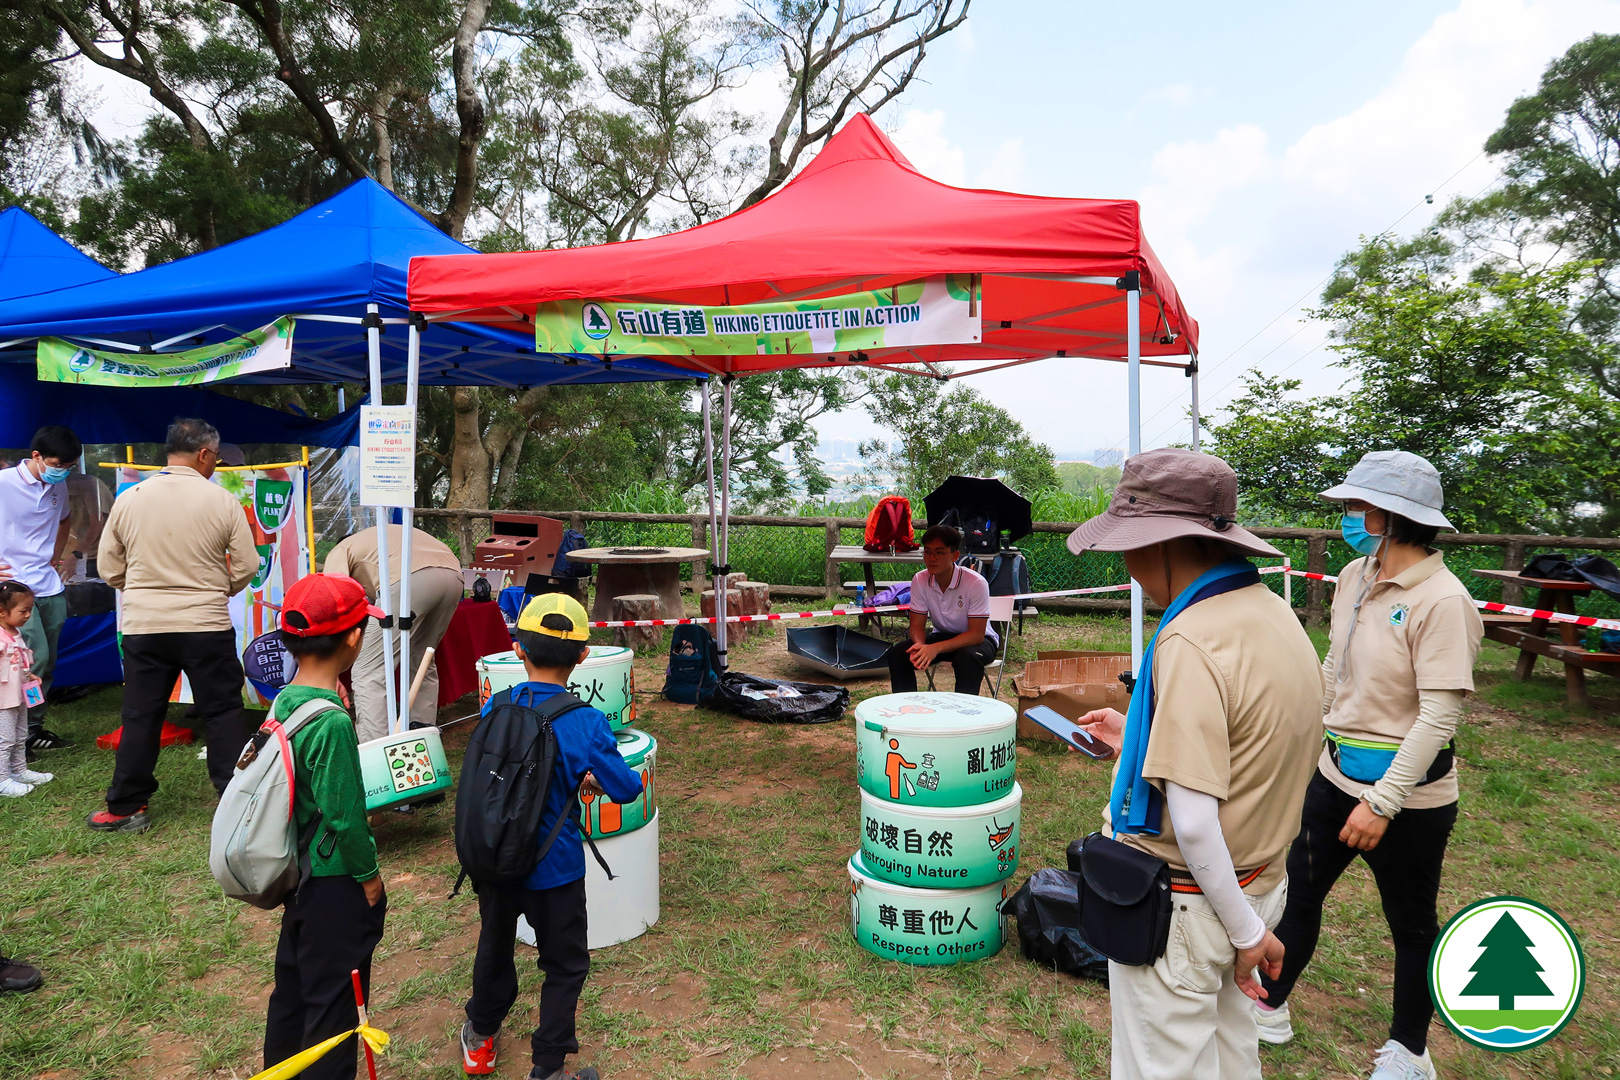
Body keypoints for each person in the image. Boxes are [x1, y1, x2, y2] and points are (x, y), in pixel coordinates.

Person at [1065, 448, 1322, 1080]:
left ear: (1166, 544)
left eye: (1129, 545)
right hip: (1258, 883)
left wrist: (1242, 936)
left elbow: (1196, 820)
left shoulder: (1188, 639)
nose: (1126, 564)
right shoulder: (1270, 612)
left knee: (1162, 1065)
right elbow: (1251, 743)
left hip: (1191, 905)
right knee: (1233, 1053)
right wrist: (1139, 738)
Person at [1255, 451, 1483, 1080]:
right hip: (1333, 777)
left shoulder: (1444, 600)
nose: (1350, 517)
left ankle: (1410, 1051)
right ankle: (1270, 1007)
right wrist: (1308, 742)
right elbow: (1337, 669)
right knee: (1298, 897)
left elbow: (1438, 717)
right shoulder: (1357, 574)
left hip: (1408, 798)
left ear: (1388, 515)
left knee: (1411, 927)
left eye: (1357, 507)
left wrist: (1382, 803)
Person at [460, 593, 642, 1080]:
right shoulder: (585, 722)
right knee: (563, 966)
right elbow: (627, 788)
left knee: (494, 949)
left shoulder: (496, 707)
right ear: (583, 656)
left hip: (493, 861)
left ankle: (479, 1042)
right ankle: (548, 1068)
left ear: (518, 649)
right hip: (554, 870)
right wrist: (590, 775)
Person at [90, 418, 257, 833]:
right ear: (203, 454)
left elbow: (109, 567)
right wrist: (219, 589)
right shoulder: (220, 501)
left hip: (145, 624)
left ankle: (126, 806)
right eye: (216, 457)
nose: (215, 465)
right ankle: (234, 801)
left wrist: (146, 590)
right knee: (221, 712)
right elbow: (248, 565)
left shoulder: (131, 498)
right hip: (205, 622)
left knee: (141, 714)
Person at [261, 572, 388, 1080]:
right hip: (335, 881)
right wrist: (371, 878)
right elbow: (345, 817)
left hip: (301, 878)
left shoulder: (287, 701)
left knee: (293, 993)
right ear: (354, 637)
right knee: (335, 1010)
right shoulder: (331, 722)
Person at [322, 524, 464, 739]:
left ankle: (376, 746)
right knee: (422, 657)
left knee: (369, 671)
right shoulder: (377, 539)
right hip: (454, 576)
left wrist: (329, 666)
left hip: (409, 579)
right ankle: (422, 734)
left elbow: (335, 600)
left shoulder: (341, 550)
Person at [0, 425, 81, 752]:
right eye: (59, 465)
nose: (64, 473)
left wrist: (55, 555)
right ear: (36, 456)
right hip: (13, 587)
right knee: (29, 660)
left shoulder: (56, 487)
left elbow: (65, 519)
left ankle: (32, 728)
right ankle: (13, 730)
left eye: (70, 467)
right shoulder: (4, 483)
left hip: (49, 587)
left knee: (46, 663)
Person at [884, 524, 998, 695]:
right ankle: (906, 710)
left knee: (967, 658)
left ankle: (964, 715)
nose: (932, 558)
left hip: (978, 641)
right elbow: (916, 625)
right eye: (927, 552)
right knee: (899, 653)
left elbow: (976, 634)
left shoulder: (975, 582)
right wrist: (920, 646)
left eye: (939, 552)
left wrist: (935, 648)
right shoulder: (920, 579)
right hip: (942, 635)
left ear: (955, 555)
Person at [0, 581, 55, 795]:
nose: (28, 615)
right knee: (5, 738)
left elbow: (17, 661)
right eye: (23, 610)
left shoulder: (15, 632)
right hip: (3, 700)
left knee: (21, 734)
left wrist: (29, 675)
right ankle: (2, 779)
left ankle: (19, 770)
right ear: (2, 612)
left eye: (30, 610)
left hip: (18, 695)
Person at [58, 463, 115, 582]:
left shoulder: (90, 485)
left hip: (97, 555)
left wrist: (76, 556)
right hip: (68, 554)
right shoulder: (51, 487)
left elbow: (97, 524)